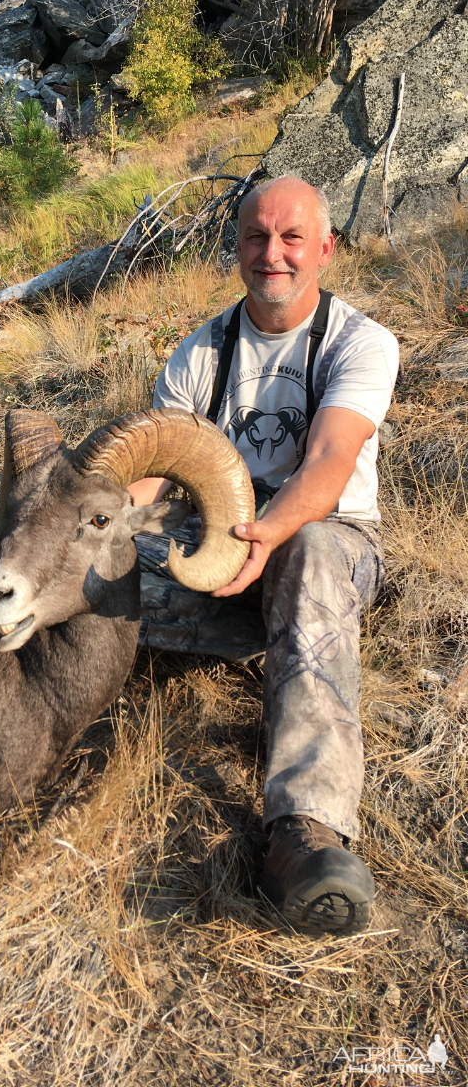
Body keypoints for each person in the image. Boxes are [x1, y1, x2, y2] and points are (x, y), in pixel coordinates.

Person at [128, 176, 399, 935]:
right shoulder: (199, 354)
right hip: (211, 545)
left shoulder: (359, 342)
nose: (272, 254)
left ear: (324, 249)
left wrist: (264, 539)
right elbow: (150, 474)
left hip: (322, 540)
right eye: (256, 236)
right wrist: (81, 516)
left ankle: (304, 832)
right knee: (88, 563)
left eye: (289, 238)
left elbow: (328, 463)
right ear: (236, 245)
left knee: (307, 554)